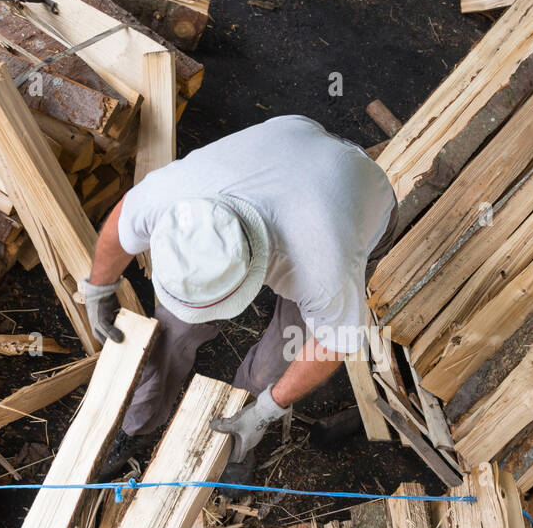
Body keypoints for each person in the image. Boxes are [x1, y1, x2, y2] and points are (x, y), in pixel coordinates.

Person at [83, 115, 397, 480]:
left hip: (363, 193)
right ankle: (135, 428)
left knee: (281, 353)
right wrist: (99, 288)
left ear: (252, 275)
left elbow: (334, 343)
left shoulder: (322, 265)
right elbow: (124, 219)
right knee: (172, 332)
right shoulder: (173, 197)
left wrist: (267, 409)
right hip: (292, 136)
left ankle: (237, 435)